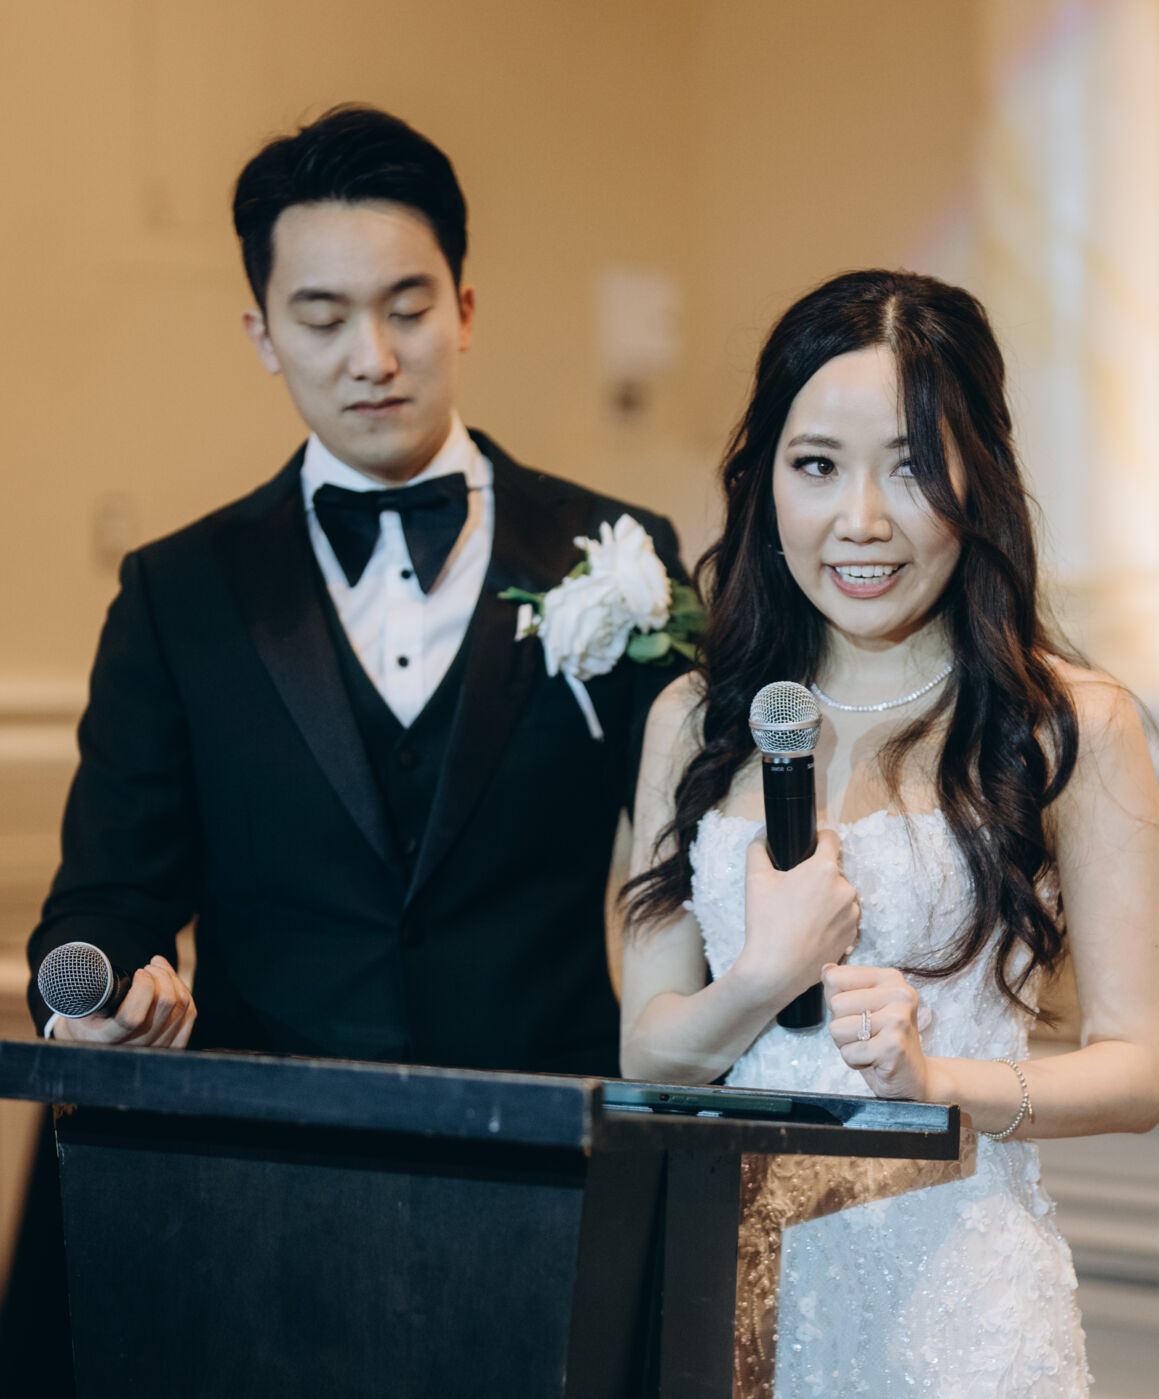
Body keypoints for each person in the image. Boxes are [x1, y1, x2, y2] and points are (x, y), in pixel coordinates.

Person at [621, 270, 1159, 1399]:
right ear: (763, 481)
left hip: (954, 1304)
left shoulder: (1068, 724)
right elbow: (647, 1047)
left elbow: (1138, 1066)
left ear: (977, 477)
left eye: (913, 467)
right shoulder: (693, 721)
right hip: (732, 1303)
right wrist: (762, 976)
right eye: (817, 466)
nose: (860, 520)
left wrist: (941, 1080)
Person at [26, 104, 684, 1072]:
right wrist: (92, 998)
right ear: (263, 335)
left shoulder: (617, 554)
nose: (372, 360)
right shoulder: (177, 594)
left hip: (550, 1121)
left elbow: (698, 857)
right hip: (266, 1131)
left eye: (407, 311)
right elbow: (107, 900)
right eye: (323, 320)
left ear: (464, 311)